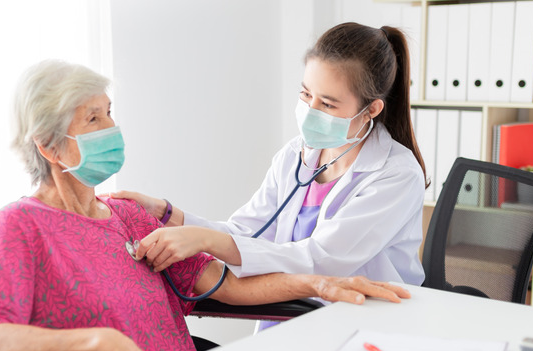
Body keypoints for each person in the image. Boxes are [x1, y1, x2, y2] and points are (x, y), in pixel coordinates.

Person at [0, 59, 410, 351]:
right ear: (49, 147)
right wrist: (102, 343)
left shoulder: (126, 215)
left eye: (110, 113)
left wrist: (321, 284)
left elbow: (228, 287)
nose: (112, 128)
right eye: (93, 119)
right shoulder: (20, 226)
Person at [116, 22, 428, 293]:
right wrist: (168, 213)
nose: (310, 111)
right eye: (306, 94)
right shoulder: (296, 155)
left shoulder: (396, 174)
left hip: (363, 319)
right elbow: (247, 233)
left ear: (371, 109)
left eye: (328, 104)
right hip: (292, 306)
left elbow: (321, 260)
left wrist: (204, 241)